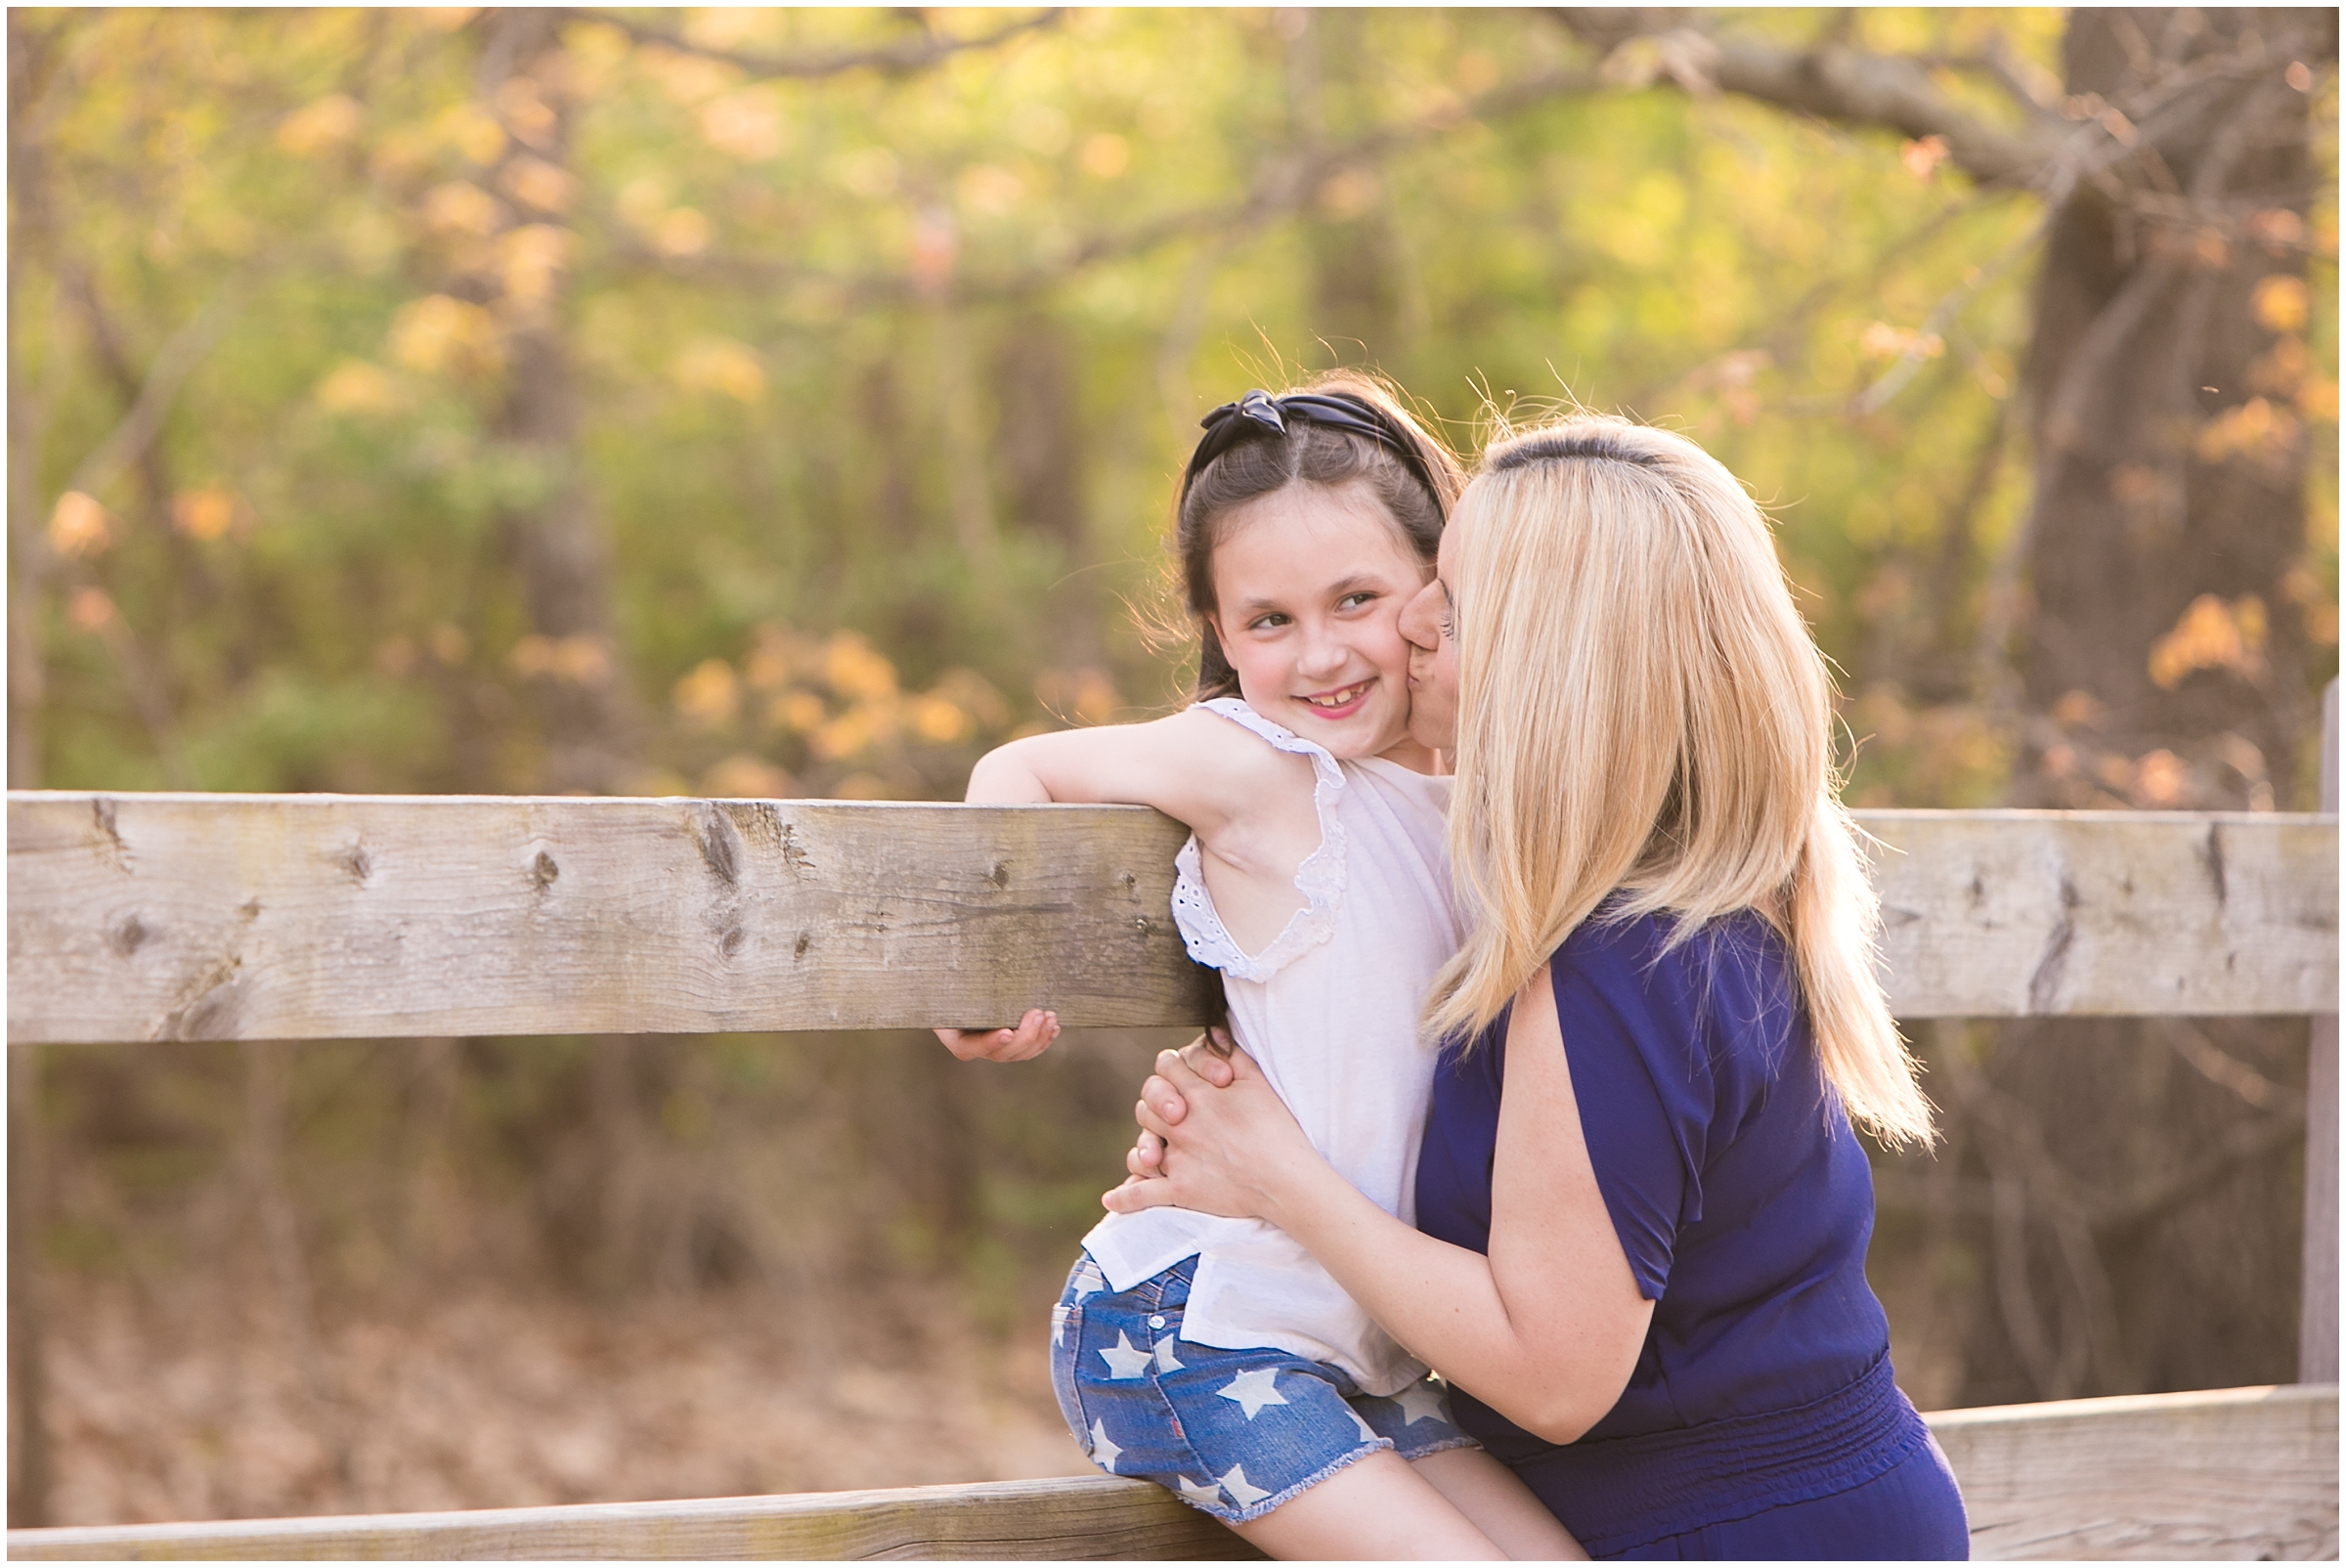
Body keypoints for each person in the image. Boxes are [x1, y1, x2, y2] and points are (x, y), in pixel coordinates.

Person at [1111, 413, 1973, 1559]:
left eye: (1454, 607)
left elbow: (1555, 1374)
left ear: (1551, 667)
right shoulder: (1691, 896)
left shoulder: (1618, 961)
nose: (1412, 618)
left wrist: (1276, 1172)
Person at [934, 375, 1583, 1560]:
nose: (1321, 652)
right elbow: (1018, 763)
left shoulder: (1480, 794)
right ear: (1222, 636)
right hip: (1195, 1327)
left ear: (1441, 592)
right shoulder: (1258, 765)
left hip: (1368, 1339)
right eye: (1269, 620)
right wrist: (988, 970)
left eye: (1358, 598)